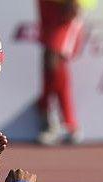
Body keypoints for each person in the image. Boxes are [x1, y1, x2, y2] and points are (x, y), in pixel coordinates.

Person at [35, 0, 86, 145]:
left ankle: (63, 121)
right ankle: (56, 118)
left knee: (54, 59)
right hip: (47, 5)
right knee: (49, 61)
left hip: (65, 6)